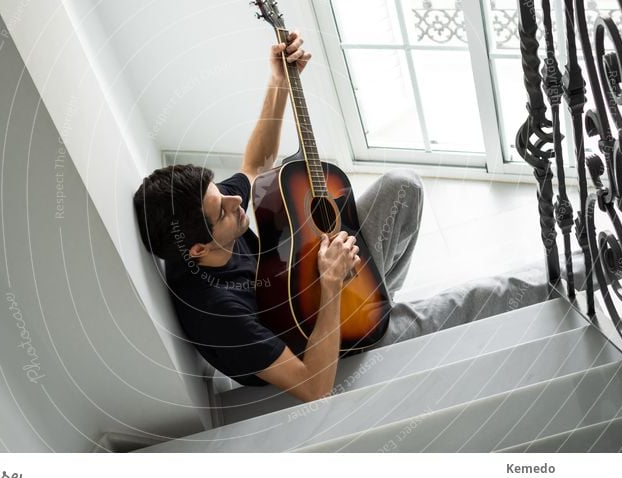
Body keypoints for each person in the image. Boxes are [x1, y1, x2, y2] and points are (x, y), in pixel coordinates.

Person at [133, 31, 583, 403]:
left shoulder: (204, 219)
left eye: (224, 196)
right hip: (325, 339)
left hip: (300, 282)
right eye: (224, 212)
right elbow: (314, 386)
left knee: (401, 188)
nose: (236, 202)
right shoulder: (218, 314)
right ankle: (591, 268)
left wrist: (278, 83)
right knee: (477, 297)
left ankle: (375, 290)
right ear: (196, 248)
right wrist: (331, 288)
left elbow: (257, 165)